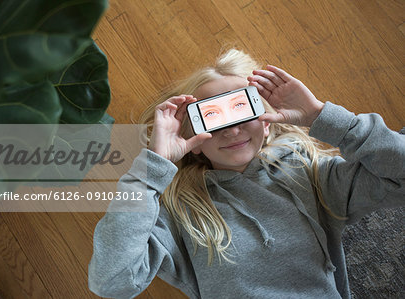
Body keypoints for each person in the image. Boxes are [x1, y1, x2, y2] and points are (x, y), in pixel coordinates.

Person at [88, 49, 405, 299]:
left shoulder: (312, 178)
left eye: (241, 109)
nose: (232, 128)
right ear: (193, 140)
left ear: (266, 122)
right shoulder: (177, 214)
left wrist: (321, 116)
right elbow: (112, 281)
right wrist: (152, 168)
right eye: (211, 116)